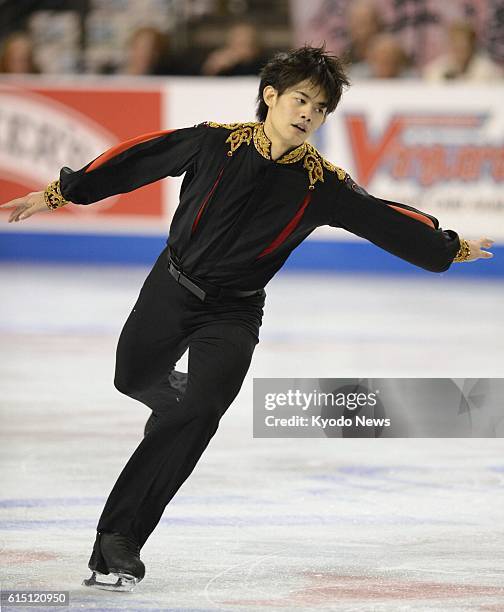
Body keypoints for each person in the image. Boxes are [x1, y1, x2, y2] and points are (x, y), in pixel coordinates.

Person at [0, 46, 494, 592]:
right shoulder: (216, 141)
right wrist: (58, 193)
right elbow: (138, 158)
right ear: (271, 96)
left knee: (200, 410)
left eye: (321, 106)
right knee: (133, 378)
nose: (308, 112)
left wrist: (445, 246)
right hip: (172, 286)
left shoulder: (320, 183)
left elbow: (382, 217)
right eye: (301, 98)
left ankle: (120, 541)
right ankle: (179, 403)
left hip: (235, 312)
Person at [423, 21, 503, 82]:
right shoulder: (436, 72)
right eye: (456, 45)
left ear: (472, 45)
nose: (460, 50)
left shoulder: (489, 73)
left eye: (464, 46)